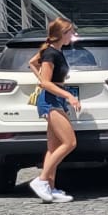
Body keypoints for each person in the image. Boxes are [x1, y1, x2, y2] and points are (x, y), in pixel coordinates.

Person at [28, 17, 80, 203]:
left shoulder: (54, 51)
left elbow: (32, 62)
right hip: (50, 101)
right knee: (70, 142)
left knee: (53, 147)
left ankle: (50, 188)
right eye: (71, 32)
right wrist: (69, 96)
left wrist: (41, 79)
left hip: (55, 99)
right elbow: (46, 83)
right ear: (63, 33)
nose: (73, 35)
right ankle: (41, 180)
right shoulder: (51, 54)